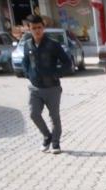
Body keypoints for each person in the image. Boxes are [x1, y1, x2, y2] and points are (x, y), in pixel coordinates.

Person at [22, 14, 71, 154]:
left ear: (43, 28)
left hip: (52, 88)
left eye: (39, 27)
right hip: (35, 88)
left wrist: (55, 74)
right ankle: (47, 136)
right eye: (34, 28)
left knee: (54, 117)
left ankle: (55, 143)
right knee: (33, 114)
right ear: (29, 29)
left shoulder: (53, 45)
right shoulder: (27, 45)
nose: (37, 30)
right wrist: (29, 75)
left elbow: (67, 63)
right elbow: (25, 62)